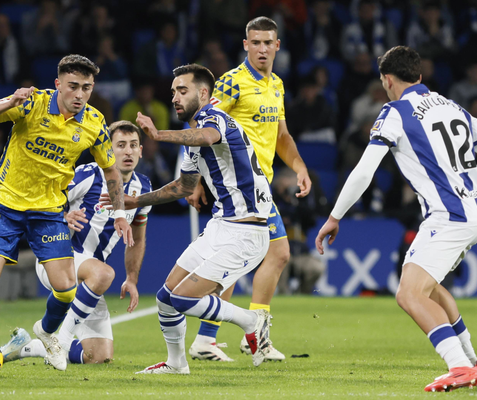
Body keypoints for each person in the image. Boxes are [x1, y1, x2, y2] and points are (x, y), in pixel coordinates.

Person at [315, 46, 477, 392]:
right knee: (431, 289)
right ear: (419, 75)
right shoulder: (454, 107)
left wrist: (334, 216)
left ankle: (459, 367)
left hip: (448, 215)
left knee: (408, 294)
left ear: (387, 80)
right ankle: (471, 362)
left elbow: (364, 171)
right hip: (470, 209)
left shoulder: (395, 111)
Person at [0, 54, 132, 372]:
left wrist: (119, 214)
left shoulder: (94, 123)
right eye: (73, 86)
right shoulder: (33, 103)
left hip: (47, 211)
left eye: (86, 87)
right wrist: (10, 101)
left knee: (66, 289)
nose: (80, 94)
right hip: (6, 203)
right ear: (58, 84)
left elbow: (111, 170)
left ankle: (45, 332)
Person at [108, 64, 273, 373]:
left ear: (204, 93)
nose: (175, 98)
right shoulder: (191, 140)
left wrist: (158, 134)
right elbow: (183, 187)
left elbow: (208, 136)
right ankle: (176, 364)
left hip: (247, 231)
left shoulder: (216, 118)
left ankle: (252, 320)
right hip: (221, 226)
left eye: (182, 91)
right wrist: (136, 200)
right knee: (165, 298)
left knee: (183, 299)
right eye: (173, 92)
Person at [186, 16, 311, 362]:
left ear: (277, 46)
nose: (262, 49)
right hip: (238, 185)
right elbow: (202, 125)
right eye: (255, 42)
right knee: (276, 253)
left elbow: (281, 136)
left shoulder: (277, 85)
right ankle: (254, 335)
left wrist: (299, 167)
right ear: (246, 45)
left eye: (268, 42)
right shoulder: (231, 83)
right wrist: (194, 178)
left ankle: (211, 339)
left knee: (246, 259)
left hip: (260, 185)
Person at [0, 120, 150, 365]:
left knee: (98, 357)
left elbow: (138, 238)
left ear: (141, 151)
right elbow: (39, 200)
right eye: (120, 145)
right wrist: (62, 216)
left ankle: (28, 347)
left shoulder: (144, 187)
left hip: (90, 276)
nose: (128, 151)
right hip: (59, 258)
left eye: (133, 145)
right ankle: (61, 340)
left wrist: (132, 279)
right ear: (107, 150)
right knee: (104, 273)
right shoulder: (88, 174)